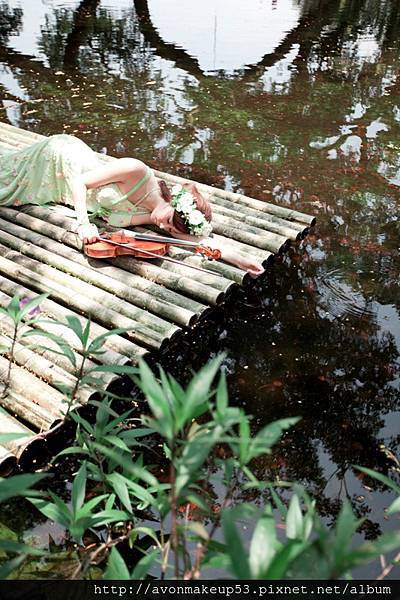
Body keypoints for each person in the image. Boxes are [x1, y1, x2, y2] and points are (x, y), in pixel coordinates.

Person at [0, 134, 264, 277]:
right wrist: (83, 223)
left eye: (170, 229)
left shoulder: (157, 217)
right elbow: (80, 182)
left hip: (59, 191)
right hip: (58, 160)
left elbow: (200, 243)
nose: (163, 226)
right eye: (169, 221)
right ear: (174, 202)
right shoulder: (137, 171)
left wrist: (242, 261)